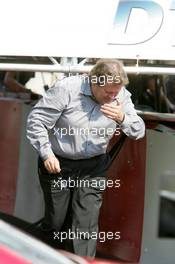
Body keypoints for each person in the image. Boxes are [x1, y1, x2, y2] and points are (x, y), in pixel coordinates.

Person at [26, 59, 145, 257]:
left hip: (94, 166)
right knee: (56, 223)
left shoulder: (120, 95)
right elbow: (36, 120)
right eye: (108, 92)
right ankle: (43, 259)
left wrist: (123, 118)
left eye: (116, 92)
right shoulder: (67, 89)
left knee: (85, 225)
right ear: (94, 82)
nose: (113, 97)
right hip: (58, 163)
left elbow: (138, 130)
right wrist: (46, 153)